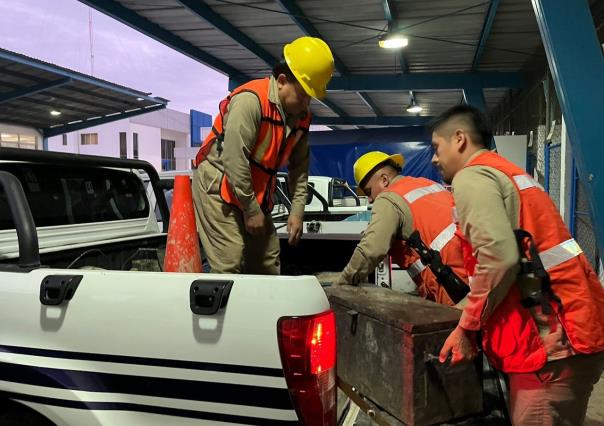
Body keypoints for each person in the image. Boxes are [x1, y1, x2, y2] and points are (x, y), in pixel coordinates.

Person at [431, 104, 604, 425]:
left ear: (459, 139)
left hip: (548, 346)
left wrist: (467, 328)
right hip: (574, 329)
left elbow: (498, 258)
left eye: (436, 148)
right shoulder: (510, 173)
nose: (434, 158)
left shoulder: (472, 176)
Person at [192, 37, 334, 274]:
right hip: (218, 184)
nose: (307, 104)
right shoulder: (251, 100)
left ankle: (264, 310)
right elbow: (235, 160)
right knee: (230, 259)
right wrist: (251, 210)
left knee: (267, 260)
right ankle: (229, 309)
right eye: (303, 95)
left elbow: (299, 168)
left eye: (311, 97)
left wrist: (297, 212)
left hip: (254, 191)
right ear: (281, 81)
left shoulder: (300, 118)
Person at [333, 151, 469, 307]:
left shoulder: (388, 197)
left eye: (369, 192)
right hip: (474, 275)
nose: (370, 199)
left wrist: (342, 284)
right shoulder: (426, 183)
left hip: (453, 287)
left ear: (384, 180)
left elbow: (371, 249)